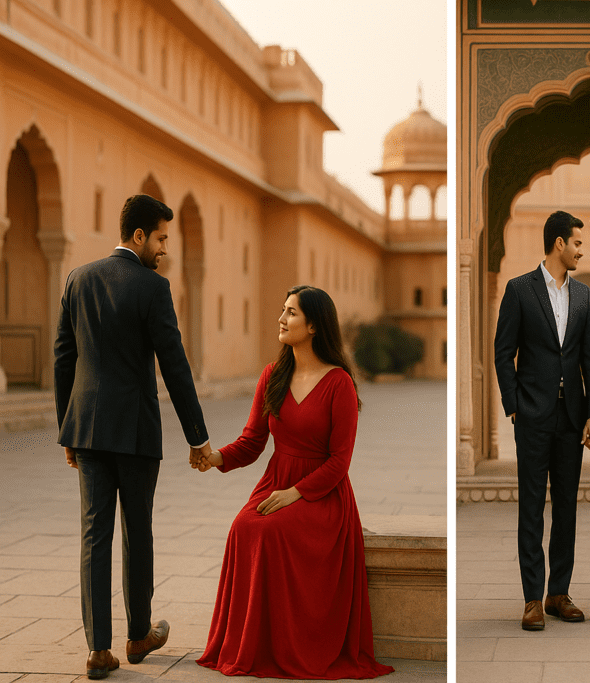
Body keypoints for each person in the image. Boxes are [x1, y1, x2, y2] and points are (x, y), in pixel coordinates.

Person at [193, 285, 393, 679]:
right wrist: (215, 458)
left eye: (291, 313)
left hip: (322, 494)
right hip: (276, 481)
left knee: (271, 532)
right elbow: (252, 441)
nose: (281, 320)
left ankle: (288, 644)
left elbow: (340, 461)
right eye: (283, 311)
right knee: (244, 527)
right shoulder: (273, 375)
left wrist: (296, 494)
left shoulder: (339, 383)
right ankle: (255, 644)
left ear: (314, 326)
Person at [54, 194, 212, 679]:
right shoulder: (152, 287)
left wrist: (68, 431)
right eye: (161, 238)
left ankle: (98, 651)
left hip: (87, 428)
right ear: (139, 236)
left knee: (94, 535)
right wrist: (198, 436)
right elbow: (174, 364)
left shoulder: (78, 279)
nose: (164, 249)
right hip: (136, 431)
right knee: (137, 530)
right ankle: (139, 634)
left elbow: (63, 358)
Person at [493, 210, 590, 631]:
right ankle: (531, 599)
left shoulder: (584, 296)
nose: (580, 251)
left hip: (571, 417)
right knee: (531, 507)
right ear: (559, 243)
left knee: (567, 507)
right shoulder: (519, 289)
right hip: (532, 415)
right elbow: (503, 351)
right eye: (577, 243)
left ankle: (558, 593)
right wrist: (514, 405)